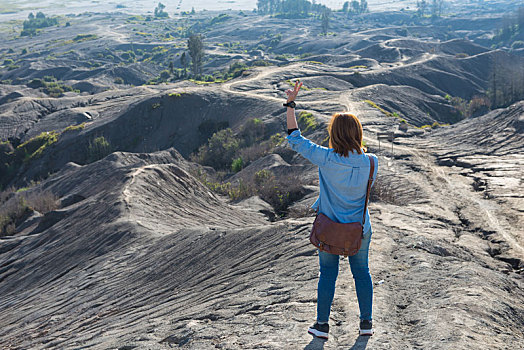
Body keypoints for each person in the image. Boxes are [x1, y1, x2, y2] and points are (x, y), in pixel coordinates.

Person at [283, 81, 378, 339]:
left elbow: (295, 139)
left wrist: (291, 104)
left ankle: (322, 326)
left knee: (328, 274)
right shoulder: (372, 162)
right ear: (358, 133)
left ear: (334, 134)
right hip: (360, 229)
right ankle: (366, 323)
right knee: (362, 273)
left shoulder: (326, 158)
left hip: (329, 227)